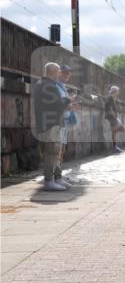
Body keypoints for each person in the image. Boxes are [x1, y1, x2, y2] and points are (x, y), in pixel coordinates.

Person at [34, 62, 76, 191]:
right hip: (50, 124)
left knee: (56, 152)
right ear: (52, 72)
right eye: (58, 71)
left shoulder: (44, 84)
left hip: (51, 123)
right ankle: (49, 181)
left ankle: (57, 178)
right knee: (52, 152)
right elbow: (57, 104)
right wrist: (69, 99)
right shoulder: (47, 85)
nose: (60, 74)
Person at [56, 65, 78, 186]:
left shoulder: (62, 87)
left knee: (62, 149)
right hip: (58, 121)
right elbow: (60, 104)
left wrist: (71, 103)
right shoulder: (55, 86)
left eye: (69, 74)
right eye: (65, 73)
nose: (67, 76)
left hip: (64, 121)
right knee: (58, 150)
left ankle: (59, 176)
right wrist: (70, 102)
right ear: (59, 73)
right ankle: (56, 177)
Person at [104, 86, 125, 153]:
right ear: (114, 91)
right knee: (122, 128)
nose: (118, 92)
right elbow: (110, 109)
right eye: (117, 91)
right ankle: (115, 147)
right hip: (112, 117)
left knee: (115, 131)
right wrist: (115, 117)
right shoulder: (110, 98)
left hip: (112, 117)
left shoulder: (112, 98)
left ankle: (115, 147)